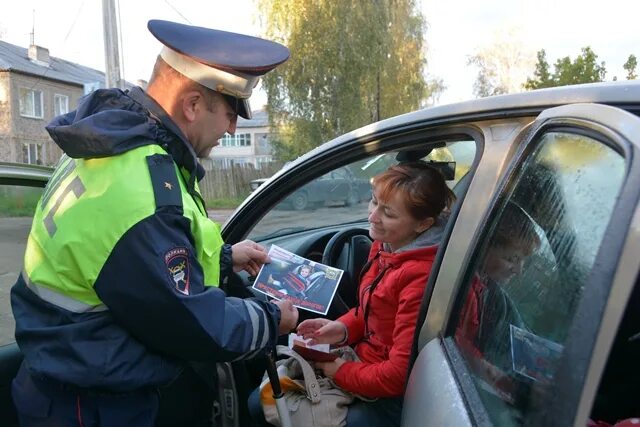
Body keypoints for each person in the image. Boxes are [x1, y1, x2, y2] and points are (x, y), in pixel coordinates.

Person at [10, 20, 298, 427]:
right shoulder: (141, 190)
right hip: (88, 405)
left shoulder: (113, 147)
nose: (233, 127)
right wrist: (272, 319)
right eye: (230, 110)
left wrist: (225, 257)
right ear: (193, 104)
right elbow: (196, 325)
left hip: (71, 374)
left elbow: (132, 264)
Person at [248, 161, 456, 427]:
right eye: (374, 202)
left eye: (388, 213)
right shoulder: (386, 246)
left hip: (386, 394)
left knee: (267, 404)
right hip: (363, 363)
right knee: (262, 400)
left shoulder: (419, 277)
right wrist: (339, 328)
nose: (372, 216)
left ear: (423, 224)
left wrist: (340, 371)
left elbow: (397, 375)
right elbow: (371, 313)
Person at [455, 202, 541, 401]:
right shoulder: (465, 291)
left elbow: (522, 340)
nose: (519, 271)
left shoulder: (491, 294)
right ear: (481, 247)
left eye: (522, 261)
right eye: (511, 258)